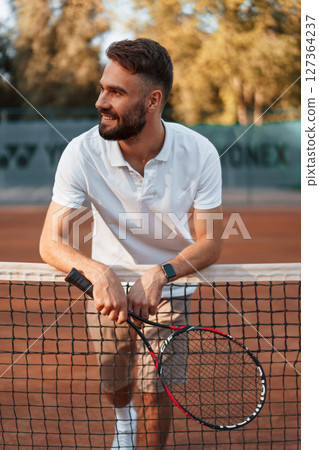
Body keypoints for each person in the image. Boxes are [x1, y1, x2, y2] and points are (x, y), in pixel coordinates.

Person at [39, 38, 223, 449]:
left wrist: (161, 274)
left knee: (156, 391)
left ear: (153, 100)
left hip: (170, 285)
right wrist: (97, 271)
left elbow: (211, 243)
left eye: (117, 92)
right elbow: (50, 244)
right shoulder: (81, 154)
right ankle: (124, 419)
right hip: (105, 286)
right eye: (104, 87)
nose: (101, 100)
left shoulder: (200, 153)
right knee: (116, 382)